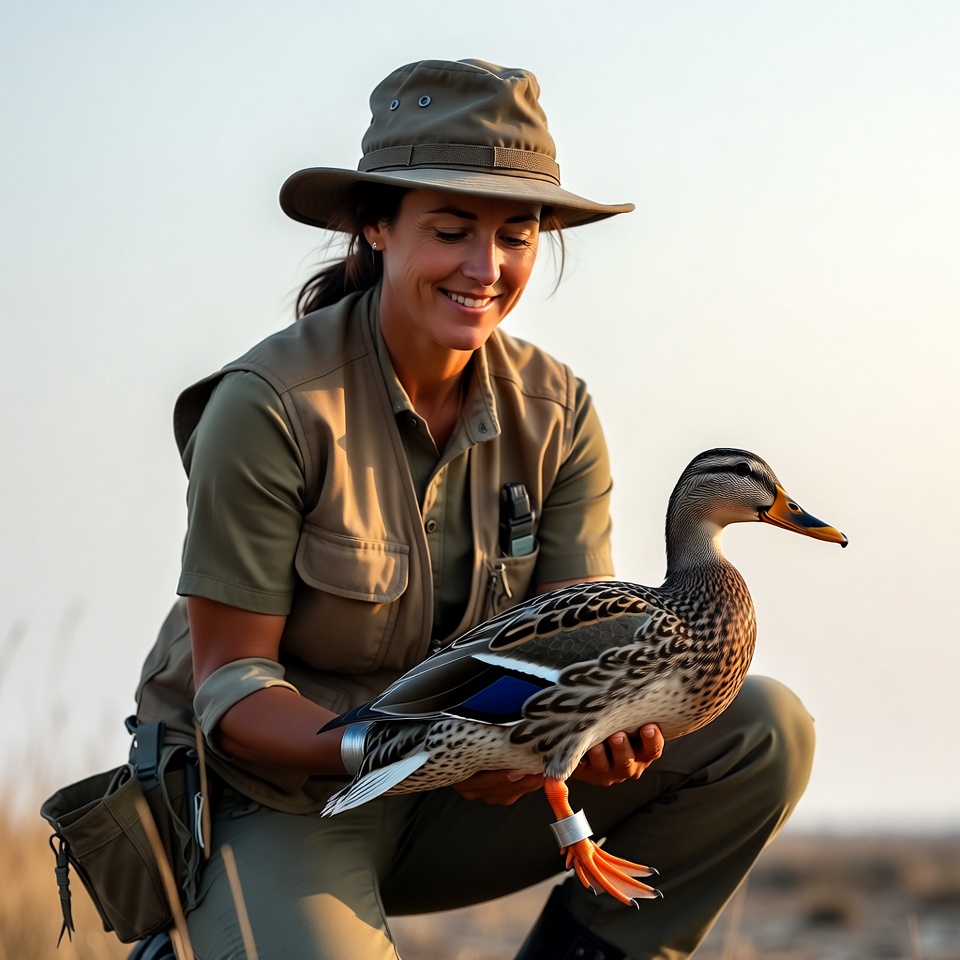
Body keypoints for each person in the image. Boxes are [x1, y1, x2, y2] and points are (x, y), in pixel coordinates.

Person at [132, 58, 815, 960]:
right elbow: (231, 691)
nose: (486, 269)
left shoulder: (558, 410)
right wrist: (406, 742)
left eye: (518, 235)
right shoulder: (269, 407)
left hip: (474, 778)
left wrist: (608, 739)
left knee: (765, 731)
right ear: (377, 226)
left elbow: (587, 632)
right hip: (294, 792)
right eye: (453, 230)